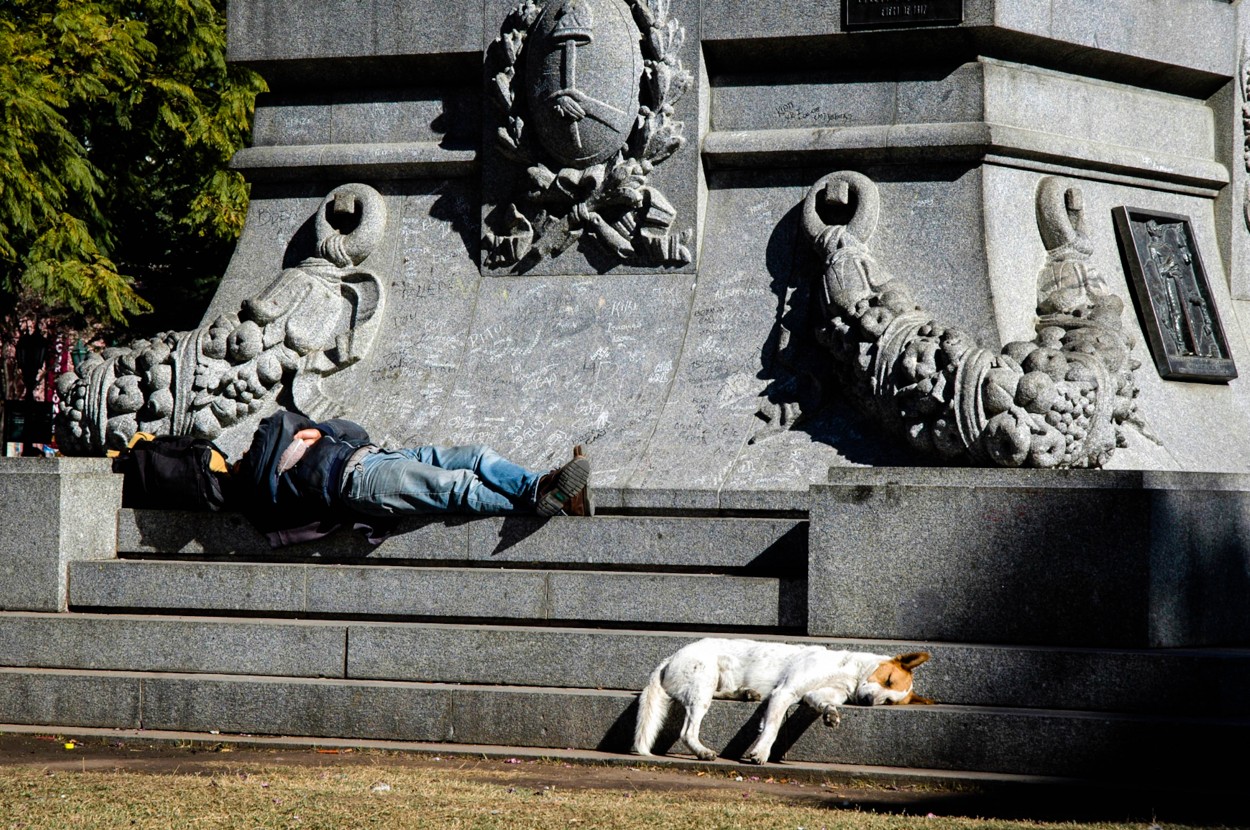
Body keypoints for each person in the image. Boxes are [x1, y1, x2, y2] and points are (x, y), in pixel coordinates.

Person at [230, 408, 591, 547]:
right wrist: (312, 433)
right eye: (240, 459)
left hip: (379, 456)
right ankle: (550, 497)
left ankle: (541, 488)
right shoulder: (266, 476)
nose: (244, 454)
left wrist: (320, 429)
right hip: (358, 482)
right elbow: (274, 425)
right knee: (457, 486)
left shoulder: (299, 442)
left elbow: (356, 429)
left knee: (476, 454)